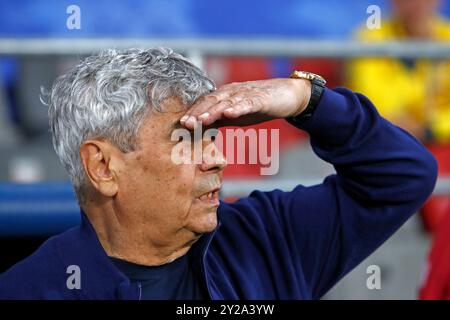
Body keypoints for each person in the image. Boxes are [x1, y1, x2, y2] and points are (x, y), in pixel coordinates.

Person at [0, 48, 437, 299]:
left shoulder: (268, 237)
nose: (217, 158)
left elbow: (404, 175)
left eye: (212, 135)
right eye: (185, 139)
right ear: (103, 166)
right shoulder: (29, 290)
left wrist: (306, 97)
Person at [347, 0, 450, 233]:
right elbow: (374, 102)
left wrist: (431, 127)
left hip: (439, 143)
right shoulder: (370, 37)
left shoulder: (447, 38)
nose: (415, 4)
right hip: (388, 143)